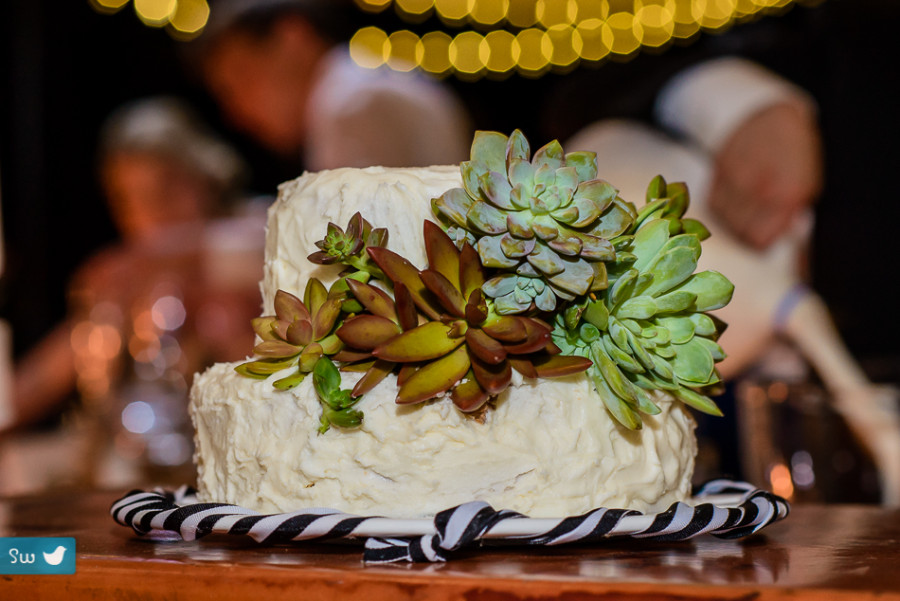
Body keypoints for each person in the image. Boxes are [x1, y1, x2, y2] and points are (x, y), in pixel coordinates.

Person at [4, 97, 265, 435]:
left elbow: (253, 245)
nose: (154, 212)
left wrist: (143, 260)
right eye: (130, 199)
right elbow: (38, 382)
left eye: (167, 188)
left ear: (205, 171)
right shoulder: (136, 281)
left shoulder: (262, 226)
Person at [194, 0, 471, 170]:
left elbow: (363, 252)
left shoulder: (350, 104)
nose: (238, 111)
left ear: (292, 36)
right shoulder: (365, 80)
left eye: (241, 78)